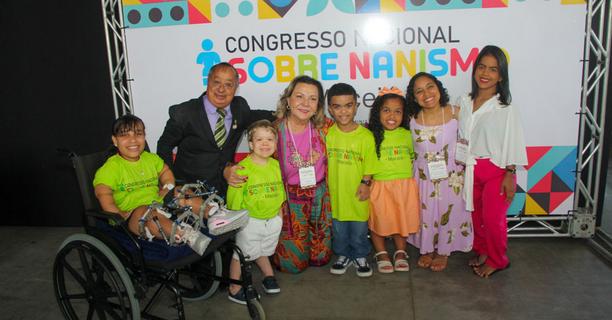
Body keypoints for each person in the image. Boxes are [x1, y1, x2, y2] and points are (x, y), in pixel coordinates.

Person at [93, 115, 246, 256]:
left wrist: (166, 188)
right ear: (114, 140)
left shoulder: (150, 159)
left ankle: (213, 215)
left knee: (179, 191)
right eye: (125, 135)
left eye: (138, 134)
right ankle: (187, 235)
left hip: (158, 205)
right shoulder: (109, 169)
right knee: (146, 213)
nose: (133, 140)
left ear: (144, 137)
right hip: (131, 217)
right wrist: (120, 217)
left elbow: (166, 172)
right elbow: (104, 196)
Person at [457, 45, 527, 278]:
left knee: (493, 219)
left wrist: (509, 173)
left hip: (497, 170)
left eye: (493, 69)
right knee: (475, 216)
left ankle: (499, 260)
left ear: (501, 75)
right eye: (482, 67)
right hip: (470, 168)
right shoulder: (464, 101)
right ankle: (484, 251)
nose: (485, 73)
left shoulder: (505, 108)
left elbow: (514, 140)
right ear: (475, 69)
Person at [157, 62, 274, 196]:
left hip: (225, 193)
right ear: (208, 82)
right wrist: (169, 184)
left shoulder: (239, 108)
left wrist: (286, 112)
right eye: (216, 82)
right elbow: (164, 146)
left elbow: (260, 115)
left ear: (236, 88)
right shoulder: (185, 113)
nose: (221, 89)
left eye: (228, 85)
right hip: (189, 195)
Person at [406, 72, 473, 272]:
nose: (426, 93)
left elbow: (474, 137)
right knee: (424, 212)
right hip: (423, 176)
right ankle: (426, 248)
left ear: (438, 87)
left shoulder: (456, 112)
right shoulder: (411, 118)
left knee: (449, 211)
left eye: (430, 86)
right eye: (419, 91)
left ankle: (443, 250)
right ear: (414, 97)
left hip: (451, 176)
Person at [270, 75, 333, 273]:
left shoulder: (326, 127)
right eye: (300, 96)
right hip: (290, 199)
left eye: (313, 99)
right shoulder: (274, 131)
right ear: (288, 100)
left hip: (320, 194)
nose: (306, 104)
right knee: (292, 266)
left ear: (318, 105)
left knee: (321, 258)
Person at [226, 120, 285, 304]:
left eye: (270, 139)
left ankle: (268, 275)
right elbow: (234, 200)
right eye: (259, 139)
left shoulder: (277, 166)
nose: (265, 143)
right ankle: (234, 287)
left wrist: (279, 215)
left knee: (263, 249)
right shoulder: (242, 169)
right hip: (250, 221)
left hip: (273, 219)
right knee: (242, 254)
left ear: (276, 143)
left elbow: (281, 193)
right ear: (251, 144)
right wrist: (239, 221)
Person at [326, 83, 378, 277]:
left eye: (348, 105)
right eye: (337, 106)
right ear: (330, 109)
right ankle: (343, 255)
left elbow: (370, 163)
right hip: (336, 193)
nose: (343, 111)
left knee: (358, 228)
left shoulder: (365, 135)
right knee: (338, 229)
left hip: (357, 192)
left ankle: (360, 255)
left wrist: (366, 183)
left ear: (356, 105)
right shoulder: (328, 134)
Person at [367, 87, 420, 274]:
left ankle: (400, 251)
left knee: (400, 220)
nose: (392, 115)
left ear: (404, 114)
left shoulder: (408, 135)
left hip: (404, 186)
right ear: (377, 112)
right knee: (378, 221)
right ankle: (381, 252)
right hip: (379, 186)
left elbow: (413, 157)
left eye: (398, 111)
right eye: (386, 110)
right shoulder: (370, 135)